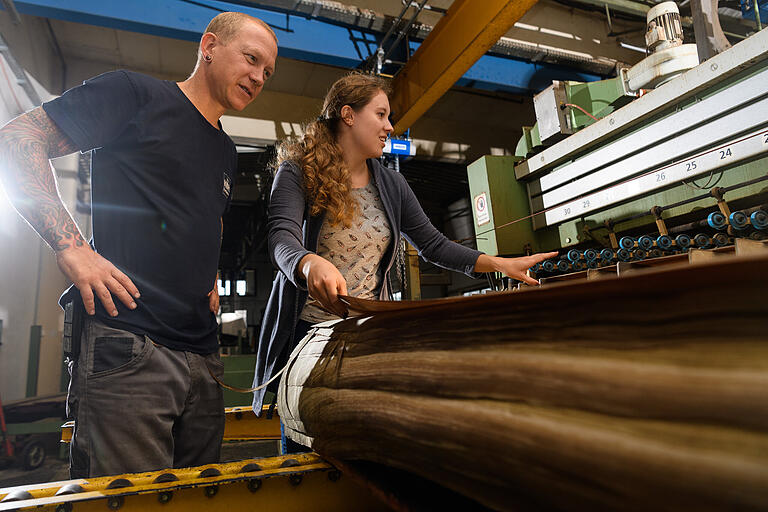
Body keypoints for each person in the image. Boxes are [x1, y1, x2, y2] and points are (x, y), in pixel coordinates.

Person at [0, 12, 278, 477]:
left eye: (267, 73)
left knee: (195, 500)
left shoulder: (225, 150)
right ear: (209, 46)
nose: (258, 77)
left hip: (203, 357)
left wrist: (209, 271)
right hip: (131, 345)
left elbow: (207, 217)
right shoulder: (134, 94)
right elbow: (18, 138)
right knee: (126, 501)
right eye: (251, 59)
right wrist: (72, 248)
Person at [251, 73, 558, 425]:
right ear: (348, 115)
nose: (390, 127)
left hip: (363, 333)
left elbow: (433, 245)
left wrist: (500, 265)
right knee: (305, 431)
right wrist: (307, 263)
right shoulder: (297, 173)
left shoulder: (391, 184)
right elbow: (282, 239)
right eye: (381, 115)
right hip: (306, 335)